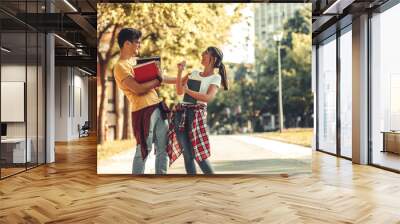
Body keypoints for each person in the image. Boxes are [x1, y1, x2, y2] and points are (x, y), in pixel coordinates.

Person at [113, 28, 176, 174]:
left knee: (163, 147)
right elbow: (138, 89)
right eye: (137, 43)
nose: (139, 46)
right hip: (142, 111)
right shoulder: (120, 67)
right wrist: (157, 80)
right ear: (127, 43)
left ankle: (161, 177)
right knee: (144, 149)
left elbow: (162, 78)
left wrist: (181, 79)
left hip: (158, 107)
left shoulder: (136, 63)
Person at [166, 46, 229, 174]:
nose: (202, 54)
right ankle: (193, 185)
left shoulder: (215, 78)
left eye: (205, 53)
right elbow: (179, 91)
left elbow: (207, 97)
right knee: (187, 154)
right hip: (181, 113)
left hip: (196, 115)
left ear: (213, 58)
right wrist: (179, 72)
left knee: (199, 155)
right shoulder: (194, 73)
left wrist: (188, 90)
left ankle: (215, 184)